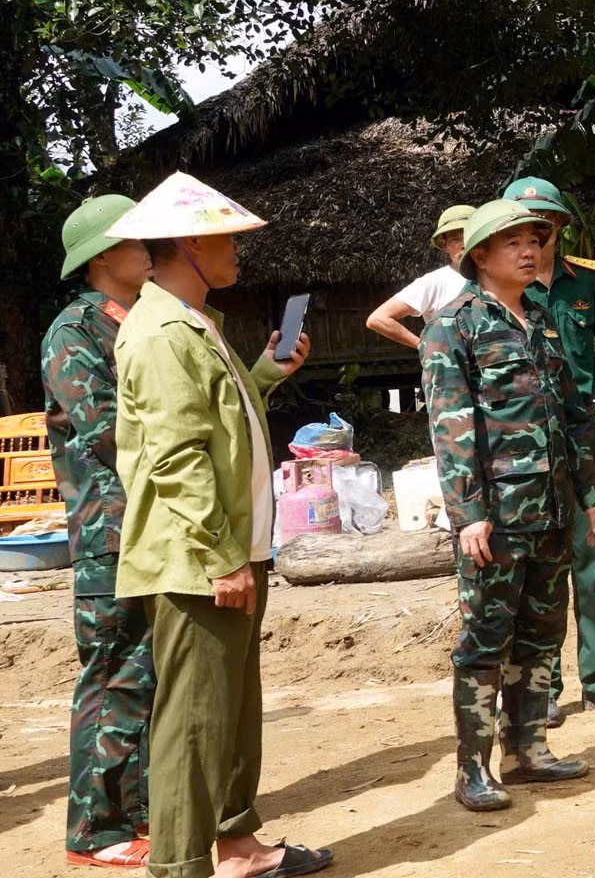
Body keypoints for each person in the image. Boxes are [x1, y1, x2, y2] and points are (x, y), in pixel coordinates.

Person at [106, 173, 332, 878]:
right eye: (226, 237)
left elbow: (215, 424)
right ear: (189, 243)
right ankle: (179, 868)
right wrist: (221, 556)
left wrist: (263, 374)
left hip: (224, 550)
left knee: (230, 713)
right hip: (197, 558)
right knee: (194, 723)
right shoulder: (163, 331)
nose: (237, 249)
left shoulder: (194, 322)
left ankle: (237, 848)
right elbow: (176, 458)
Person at [420, 199, 595, 812]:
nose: (531, 251)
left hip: (553, 510)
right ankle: (471, 769)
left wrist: (590, 493)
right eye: (514, 244)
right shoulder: (453, 325)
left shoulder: (542, 321)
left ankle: (527, 751)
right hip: (496, 517)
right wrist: (469, 511)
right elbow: (451, 427)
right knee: (485, 640)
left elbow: (577, 415)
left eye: (536, 240)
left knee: (540, 634)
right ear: (479, 256)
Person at [500, 176, 595, 724]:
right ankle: (542, 690)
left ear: (559, 228)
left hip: (583, 432)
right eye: (524, 227)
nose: (536, 238)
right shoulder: (500, 294)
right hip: (524, 444)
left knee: (592, 559)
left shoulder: (584, 284)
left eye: (546, 226)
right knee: (537, 567)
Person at [44, 195, 154, 869]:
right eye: (135, 240)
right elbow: (110, 430)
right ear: (102, 257)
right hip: (109, 535)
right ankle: (95, 829)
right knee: (112, 674)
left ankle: (135, 810)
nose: (149, 248)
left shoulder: (140, 319)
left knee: (143, 674)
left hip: (147, 527)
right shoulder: (73, 331)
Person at [364, 204, 475, 350]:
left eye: (470, 236)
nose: (464, 244)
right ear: (445, 246)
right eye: (455, 239)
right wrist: (425, 347)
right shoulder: (435, 282)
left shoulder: (501, 276)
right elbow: (378, 318)